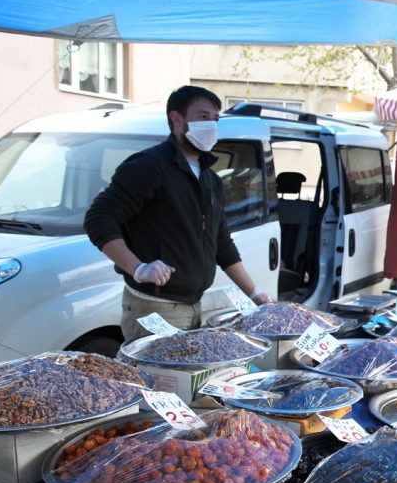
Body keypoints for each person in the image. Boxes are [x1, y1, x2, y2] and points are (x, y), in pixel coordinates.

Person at [84, 85, 273, 342]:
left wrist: (254, 293)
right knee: (162, 381)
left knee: (184, 381)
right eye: (203, 117)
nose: (212, 126)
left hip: (194, 306)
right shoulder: (149, 166)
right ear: (176, 119)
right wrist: (138, 268)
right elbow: (99, 218)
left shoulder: (211, 179)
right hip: (155, 308)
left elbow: (222, 244)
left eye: (215, 120)